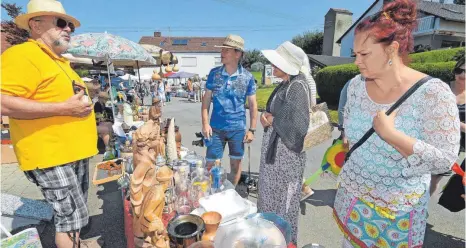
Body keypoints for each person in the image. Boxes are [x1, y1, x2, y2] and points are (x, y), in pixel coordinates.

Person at [332, 1, 460, 247]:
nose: (357, 62)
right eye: (355, 54)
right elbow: (349, 131)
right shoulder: (357, 86)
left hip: (396, 213)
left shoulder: (433, 93)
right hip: (353, 198)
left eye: (365, 54)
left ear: (391, 50)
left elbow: (445, 159)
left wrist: (392, 135)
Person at [0, 0, 99, 247]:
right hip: (51, 154)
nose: (68, 29)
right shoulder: (23, 54)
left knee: (75, 217)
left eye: (70, 26)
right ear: (35, 24)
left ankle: (76, 243)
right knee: (69, 219)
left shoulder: (59, 61)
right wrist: (64, 108)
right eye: (61, 23)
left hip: (72, 152)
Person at [258, 41, 315, 245]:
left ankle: (284, 242)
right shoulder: (287, 84)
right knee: (273, 201)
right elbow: (277, 113)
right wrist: (266, 117)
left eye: (276, 63)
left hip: (286, 157)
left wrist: (273, 120)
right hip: (277, 155)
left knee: (284, 205)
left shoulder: (297, 86)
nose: (273, 67)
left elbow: (299, 126)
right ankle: (272, 241)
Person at [201, 34, 258, 185]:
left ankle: (231, 194)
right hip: (215, 128)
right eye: (222, 50)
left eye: (226, 50)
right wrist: (205, 124)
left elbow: (253, 105)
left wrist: (252, 130)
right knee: (210, 164)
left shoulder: (248, 77)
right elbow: (206, 100)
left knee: (236, 165)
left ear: (237, 54)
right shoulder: (214, 74)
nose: (222, 53)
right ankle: (212, 195)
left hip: (237, 129)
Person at [431, 54, 466, 196]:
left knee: (435, 178)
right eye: (459, 70)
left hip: (452, 145)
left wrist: (457, 124)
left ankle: (421, 209)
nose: (462, 74)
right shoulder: (442, 87)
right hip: (430, 138)